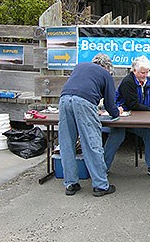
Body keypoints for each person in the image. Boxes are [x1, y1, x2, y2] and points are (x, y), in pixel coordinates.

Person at [58, 53, 120, 197]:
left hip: (64, 99)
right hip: (84, 102)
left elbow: (77, 88)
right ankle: (100, 185)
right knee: (92, 143)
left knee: (67, 143)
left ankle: (70, 184)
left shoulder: (80, 66)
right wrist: (117, 114)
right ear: (107, 66)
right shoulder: (105, 74)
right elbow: (110, 104)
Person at [104, 55, 150, 180]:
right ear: (134, 71)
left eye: (147, 72)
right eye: (142, 72)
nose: (145, 75)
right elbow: (134, 105)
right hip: (122, 118)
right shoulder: (127, 82)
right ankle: (103, 168)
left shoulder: (149, 83)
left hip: (140, 119)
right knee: (117, 135)